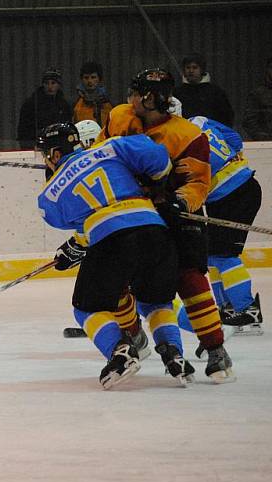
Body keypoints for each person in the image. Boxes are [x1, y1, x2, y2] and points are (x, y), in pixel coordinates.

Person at [99, 68, 234, 383]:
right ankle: (133, 336)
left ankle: (216, 350)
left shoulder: (187, 135)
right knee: (115, 276)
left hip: (174, 217)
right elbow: (100, 156)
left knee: (189, 279)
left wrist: (179, 201)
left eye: (135, 91)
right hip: (131, 215)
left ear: (149, 97)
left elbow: (198, 183)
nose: (129, 97)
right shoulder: (119, 117)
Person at [37, 122, 192, 389]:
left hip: (113, 242)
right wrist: (155, 185)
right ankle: (174, 354)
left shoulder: (49, 193)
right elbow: (158, 157)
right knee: (156, 302)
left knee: (87, 308)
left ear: (55, 154)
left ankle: (121, 352)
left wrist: (75, 247)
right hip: (156, 231)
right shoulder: (111, 147)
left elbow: (76, 218)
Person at [168, 105, 263, 335]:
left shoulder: (174, 142)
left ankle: (247, 309)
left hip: (233, 194)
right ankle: (226, 308)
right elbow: (236, 140)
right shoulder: (200, 120)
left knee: (224, 254)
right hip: (239, 189)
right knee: (213, 254)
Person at [16, 67, 73, 149]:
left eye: (53, 83)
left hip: (59, 146)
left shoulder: (64, 104)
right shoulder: (32, 104)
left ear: (59, 85)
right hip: (37, 146)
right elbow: (23, 131)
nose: (50, 87)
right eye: (47, 83)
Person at [172, 53, 233, 127]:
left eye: (195, 67)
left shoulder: (216, 92)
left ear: (202, 70)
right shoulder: (177, 93)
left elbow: (226, 117)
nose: (191, 71)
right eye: (188, 67)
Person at [72, 61, 112, 127]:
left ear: (99, 79)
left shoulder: (107, 103)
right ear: (81, 79)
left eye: (93, 77)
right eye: (86, 78)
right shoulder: (76, 104)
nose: (90, 81)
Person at [241, 56, 272, 141]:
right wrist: (265, 138)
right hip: (266, 145)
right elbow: (249, 122)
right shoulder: (258, 94)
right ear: (268, 70)